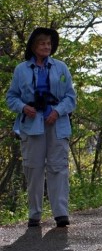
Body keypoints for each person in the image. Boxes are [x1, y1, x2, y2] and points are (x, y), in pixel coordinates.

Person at [6, 27, 77, 228]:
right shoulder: (21, 69)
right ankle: (34, 214)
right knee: (34, 169)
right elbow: (11, 98)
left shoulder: (61, 67)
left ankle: (61, 213)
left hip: (57, 124)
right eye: (42, 43)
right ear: (33, 46)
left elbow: (71, 98)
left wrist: (58, 111)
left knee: (58, 168)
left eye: (49, 43)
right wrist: (23, 107)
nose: (46, 46)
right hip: (31, 125)